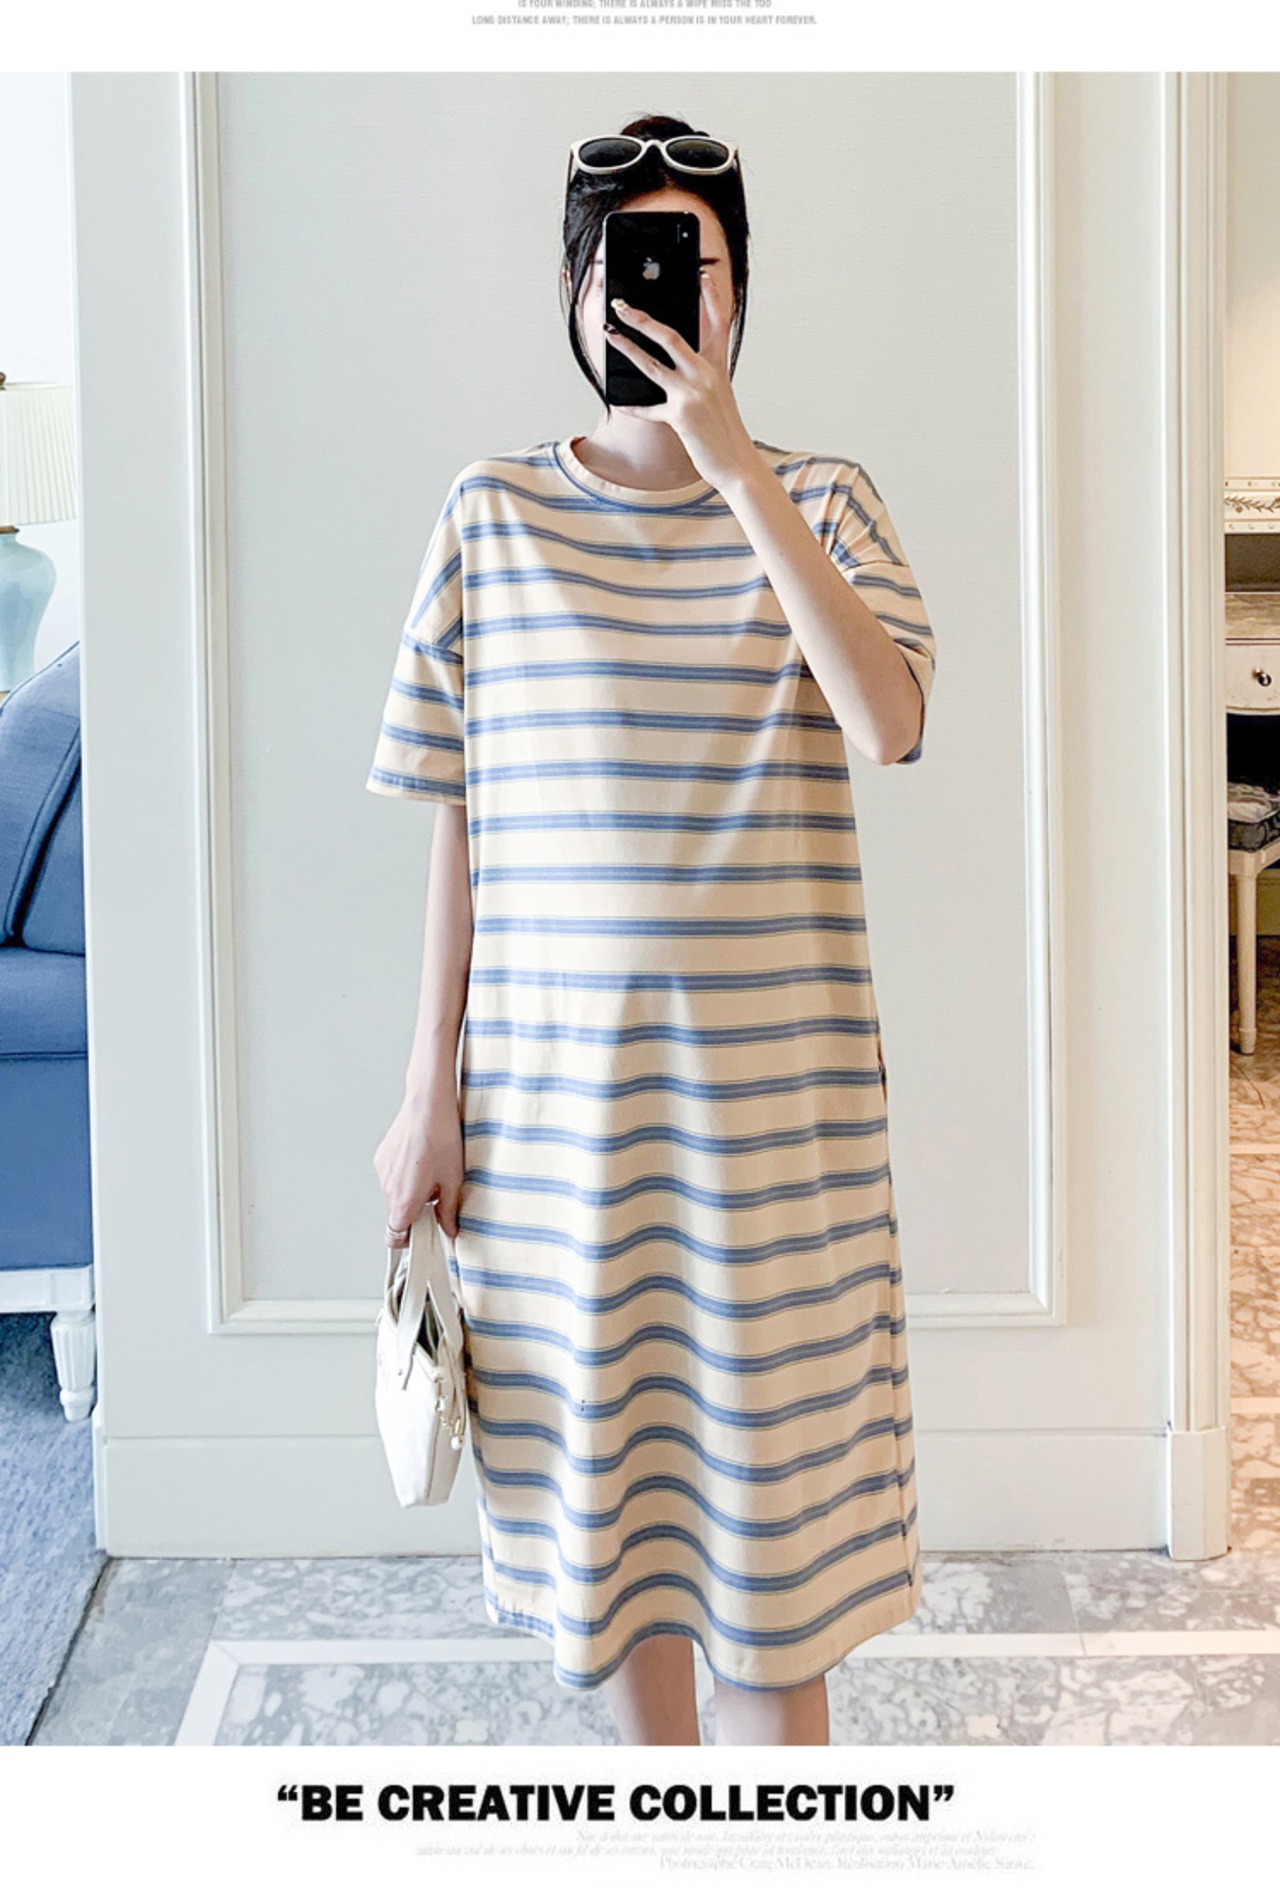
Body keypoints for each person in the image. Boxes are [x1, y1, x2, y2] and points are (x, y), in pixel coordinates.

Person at [369, 113, 936, 1748]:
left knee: (775, 1584)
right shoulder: (490, 516)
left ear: (742, 293)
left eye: (697, 263)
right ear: (573, 291)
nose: (666, 293)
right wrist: (425, 1092)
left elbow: (889, 721)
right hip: (558, 1136)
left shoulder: (820, 501)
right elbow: (460, 823)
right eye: (630, 263)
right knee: (612, 1556)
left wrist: (735, 461)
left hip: (777, 1146)